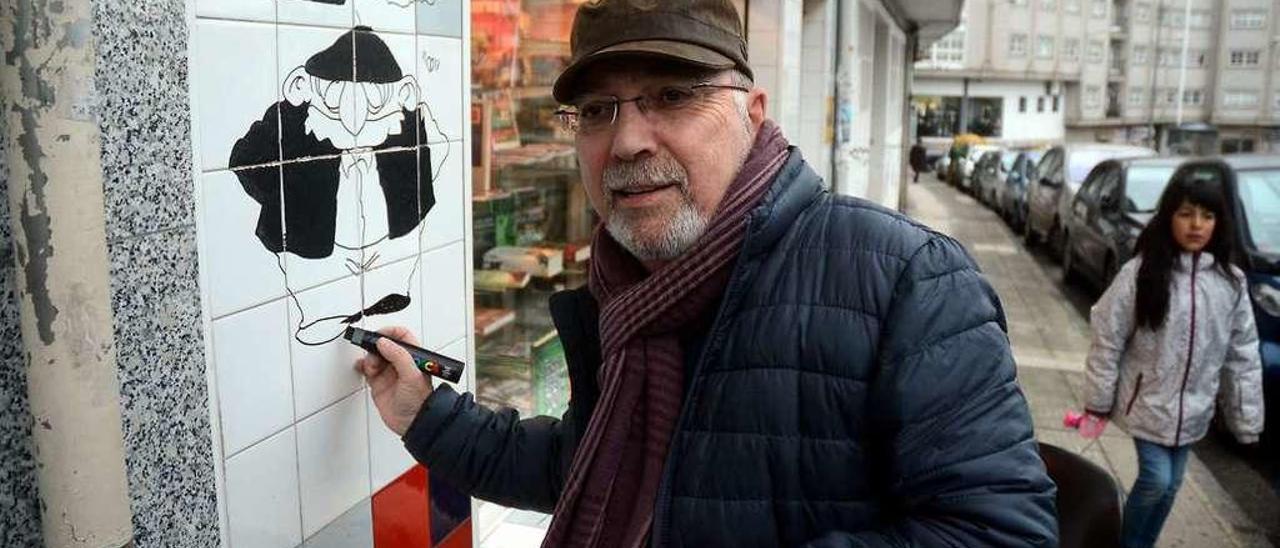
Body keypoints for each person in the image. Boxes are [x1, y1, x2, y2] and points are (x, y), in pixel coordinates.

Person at [357, 1, 1057, 546]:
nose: (627, 140)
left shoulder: (908, 281)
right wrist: (428, 414)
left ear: (753, 114)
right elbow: (589, 468)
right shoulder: (630, 289)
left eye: (671, 95)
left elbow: (994, 531)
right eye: (598, 111)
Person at [1081, 171, 1265, 548]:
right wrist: (1098, 401)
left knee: (1172, 486)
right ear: (1169, 218)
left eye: (1207, 216)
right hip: (1146, 404)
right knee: (1156, 480)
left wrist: (1245, 418)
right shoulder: (1143, 273)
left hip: (1194, 409)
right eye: (1186, 214)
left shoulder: (1230, 282)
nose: (1197, 225)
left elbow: (1242, 353)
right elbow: (1108, 336)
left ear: (1219, 222)